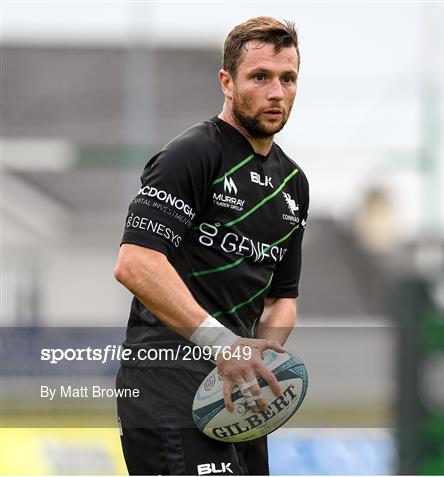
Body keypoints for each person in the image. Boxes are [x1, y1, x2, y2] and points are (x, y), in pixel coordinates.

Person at [114, 16, 309, 475]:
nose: (276, 92)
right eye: (259, 77)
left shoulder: (293, 185)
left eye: (288, 78)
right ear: (226, 81)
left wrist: (259, 363)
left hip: (235, 392)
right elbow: (135, 263)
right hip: (165, 383)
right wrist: (224, 345)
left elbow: (282, 300)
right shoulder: (193, 154)